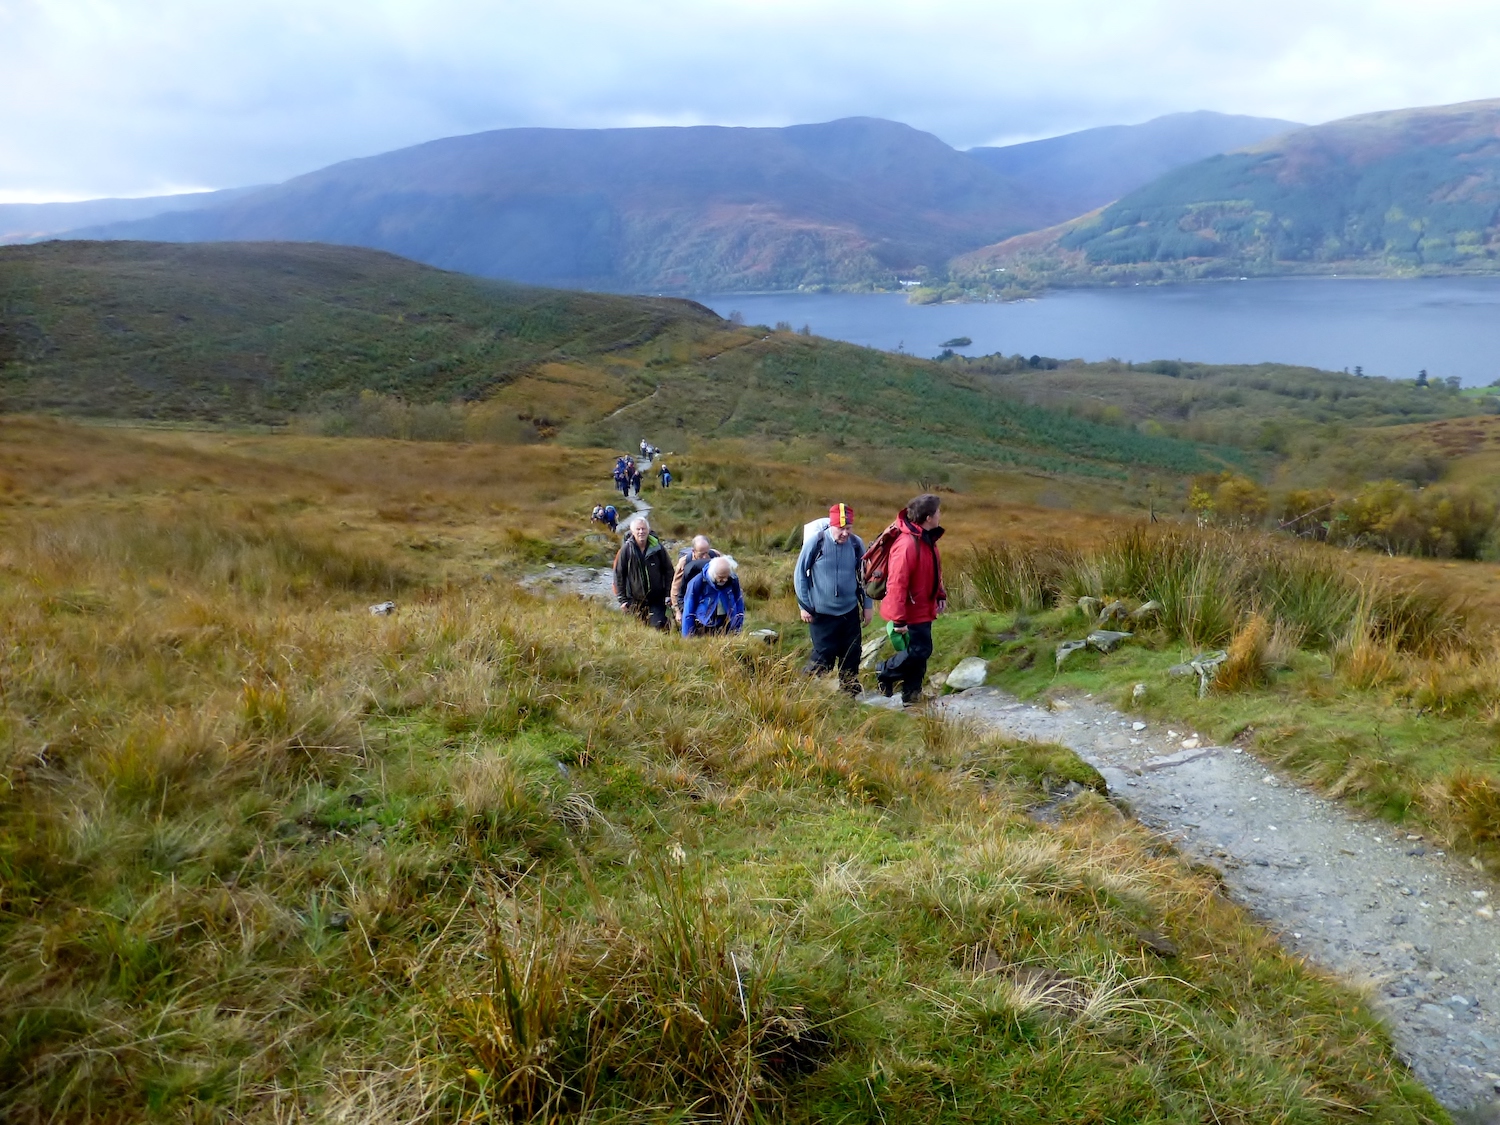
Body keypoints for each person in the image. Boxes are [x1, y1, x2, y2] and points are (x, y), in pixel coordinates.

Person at [794, 502, 871, 695]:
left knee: (852, 654)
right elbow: (800, 574)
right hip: (821, 613)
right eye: (840, 528)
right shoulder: (816, 542)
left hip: (849, 611)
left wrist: (868, 606)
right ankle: (802, 690)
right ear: (831, 525)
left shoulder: (856, 543)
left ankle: (849, 695)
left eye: (848, 528)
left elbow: (865, 577)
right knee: (824, 656)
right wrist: (804, 606)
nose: (845, 533)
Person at [879, 493, 947, 705]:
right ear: (928, 517)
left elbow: (933, 571)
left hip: (923, 606)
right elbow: (897, 583)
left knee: (921, 652)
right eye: (937, 512)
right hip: (911, 610)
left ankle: (912, 694)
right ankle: (885, 670)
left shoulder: (926, 538)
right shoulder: (908, 544)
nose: (940, 515)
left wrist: (940, 594)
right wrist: (899, 619)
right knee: (919, 650)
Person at [612, 517, 672, 630]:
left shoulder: (658, 548)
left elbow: (669, 570)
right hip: (634, 600)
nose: (641, 532)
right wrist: (622, 600)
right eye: (638, 529)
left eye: (644, 529)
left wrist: (668, 594)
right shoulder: (626, 550)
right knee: (638, 630)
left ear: (648, 530)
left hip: (657, 598)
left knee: (660, 628)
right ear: (632, 531)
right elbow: (619, 575)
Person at [681, 556, 745, 637]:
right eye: (721, 577)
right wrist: (687, 635)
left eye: (727, 576)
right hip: (703, 624)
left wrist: (738, 627)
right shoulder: (697, 581)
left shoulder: (733, 579)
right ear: (712, 573)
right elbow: (688, 609)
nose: (725, 580)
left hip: (727, 622)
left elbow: (739, 602)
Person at [670, 535, 718, 622]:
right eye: (701, 554)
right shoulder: (684, 563)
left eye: (707, 552)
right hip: (690, 597)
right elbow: (675, 588)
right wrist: (678, 611)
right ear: (693, 551)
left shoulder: (715, 555)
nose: (705, 557)